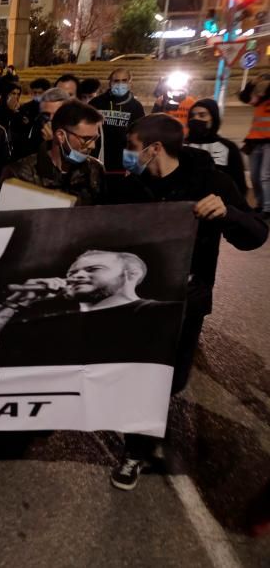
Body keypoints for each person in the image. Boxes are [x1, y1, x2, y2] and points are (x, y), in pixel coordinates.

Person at [109, 114, 268, 489]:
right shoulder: (131, 187)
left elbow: (256, 236)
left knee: (173, 380)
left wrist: (228, 213)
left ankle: (152, 426)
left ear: (155, 148)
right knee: (144, 377)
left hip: (186, 305)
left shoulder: (211, 183)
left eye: (132, 147)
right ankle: (136, 451)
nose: (127, 155)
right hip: (138, 305)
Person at [0, 250, 180, 364]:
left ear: (132, 274)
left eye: (93, 269)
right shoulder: (53, 323)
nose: (77, 276)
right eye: (72, 273)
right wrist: (16, 302)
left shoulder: (160, 313)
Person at [2, 100, 106, 206]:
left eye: (95, 138)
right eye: (86, 139)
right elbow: (5, 219)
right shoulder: (19, 174)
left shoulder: (95, 170)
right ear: (61, 135)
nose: (92, 145)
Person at [185, 99, 247, 196]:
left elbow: (238, 183)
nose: (196, 119)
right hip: (185, 205)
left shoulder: (228, 147)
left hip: (219, 205)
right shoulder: (180, 146)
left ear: (213, 119)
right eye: (192, 116)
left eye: (202, 115)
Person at [89, 69, 146, 172]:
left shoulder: (136, 107)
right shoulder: (96, 103)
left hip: (123, 163)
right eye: (116, 81)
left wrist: (132, 166)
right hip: (98, 158)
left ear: (130, 83)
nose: (120, 84)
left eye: (124, 80)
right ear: (110, 83)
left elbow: (138, 137)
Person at [240, 74, 270, 219]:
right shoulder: (259, 101)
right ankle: (260, 205)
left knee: (265, 176)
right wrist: (252, 83)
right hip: (255, 142)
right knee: (255, 176)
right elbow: (245, 97)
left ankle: (267, 208)